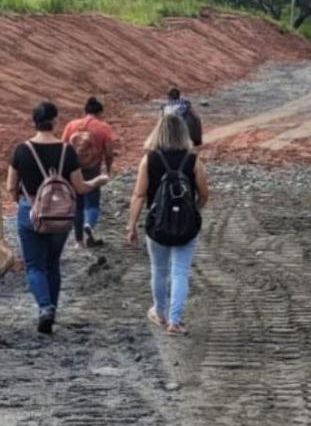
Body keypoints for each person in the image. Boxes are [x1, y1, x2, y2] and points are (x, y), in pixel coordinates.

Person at [6, 101, 110, 334]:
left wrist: (24, 203)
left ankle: (44, 308)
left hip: (29, 212)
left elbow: (11, 186)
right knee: (53, 264)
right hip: (61, 216)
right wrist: (98, 181)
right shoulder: (66, 151)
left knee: (34, 265)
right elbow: (80, 187)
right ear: (54, 121)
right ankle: (51, 309)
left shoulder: (21, 150)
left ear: (34, 121)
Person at [125, 113, 210, 336]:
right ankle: (175, 321)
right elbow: (204, 194)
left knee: (159, 270)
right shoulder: (193, 160)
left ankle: (159, 312)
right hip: (186, 226)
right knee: (180, 271)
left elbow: (139, 194)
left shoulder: (149, 159)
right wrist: (194, 211)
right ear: (184, 134)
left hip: (157, 226)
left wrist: (131, 225)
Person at [61, 96, 117, 248]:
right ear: (99, 113)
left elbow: (63, 147)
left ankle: (79, 241)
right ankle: (89, 224)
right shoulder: (104, 128)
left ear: (85, 111)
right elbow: (109, 152)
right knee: (92, 203)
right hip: (93, 169)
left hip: (73, 170)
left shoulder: (71, 125)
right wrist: (108, 168)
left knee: (77, 205)